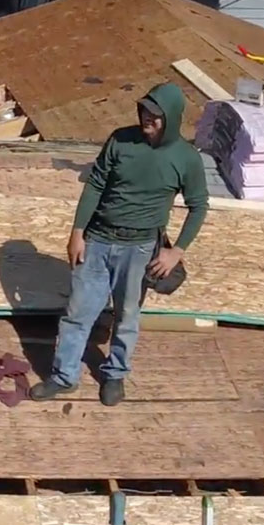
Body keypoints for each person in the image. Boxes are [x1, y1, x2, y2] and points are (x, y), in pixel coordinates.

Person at [30, 82, 209, 407]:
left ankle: (114, 375)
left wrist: (176, 250)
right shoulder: (120, 140)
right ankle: (64, 377)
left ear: (170, 118)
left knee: (127, 316)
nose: (147, 119)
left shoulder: (186, 159)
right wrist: (77, 231)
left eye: (155, 115)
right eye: (144, 111)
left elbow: (199, 205)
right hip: (98, 240)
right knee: (78, 312)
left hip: (140, 249)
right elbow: (96, 184)